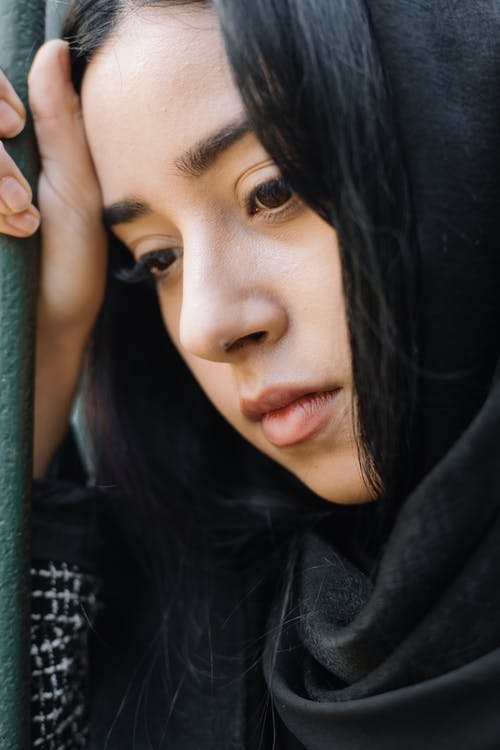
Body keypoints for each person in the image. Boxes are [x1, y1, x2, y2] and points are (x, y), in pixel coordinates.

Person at [0, 0, 499, 747]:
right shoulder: (196, 648)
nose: (206, 327)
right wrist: (43, 342)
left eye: (272, 191)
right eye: (157, 258)